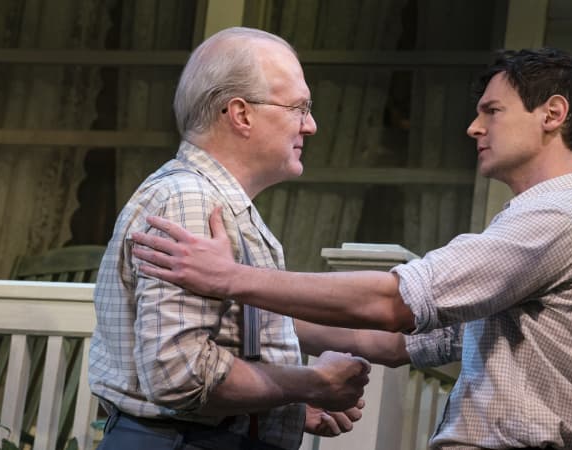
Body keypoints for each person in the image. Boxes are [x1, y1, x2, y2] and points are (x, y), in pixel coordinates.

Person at [131, 48, 572, 450]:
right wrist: (253, 315)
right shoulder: (536, 223)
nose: (474, 128)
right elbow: (393, 342)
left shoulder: (559, 219)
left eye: (491, 111)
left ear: (553, 114)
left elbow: (392, 305)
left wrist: (230, 279)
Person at [88, 27, 373, 450]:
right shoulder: (191, 200)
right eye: (299, 108)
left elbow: (224, 343)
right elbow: (179, 375)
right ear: (241, 115)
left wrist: (278, 405)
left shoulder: (214, 201)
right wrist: (310, 383)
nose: (310, 125)